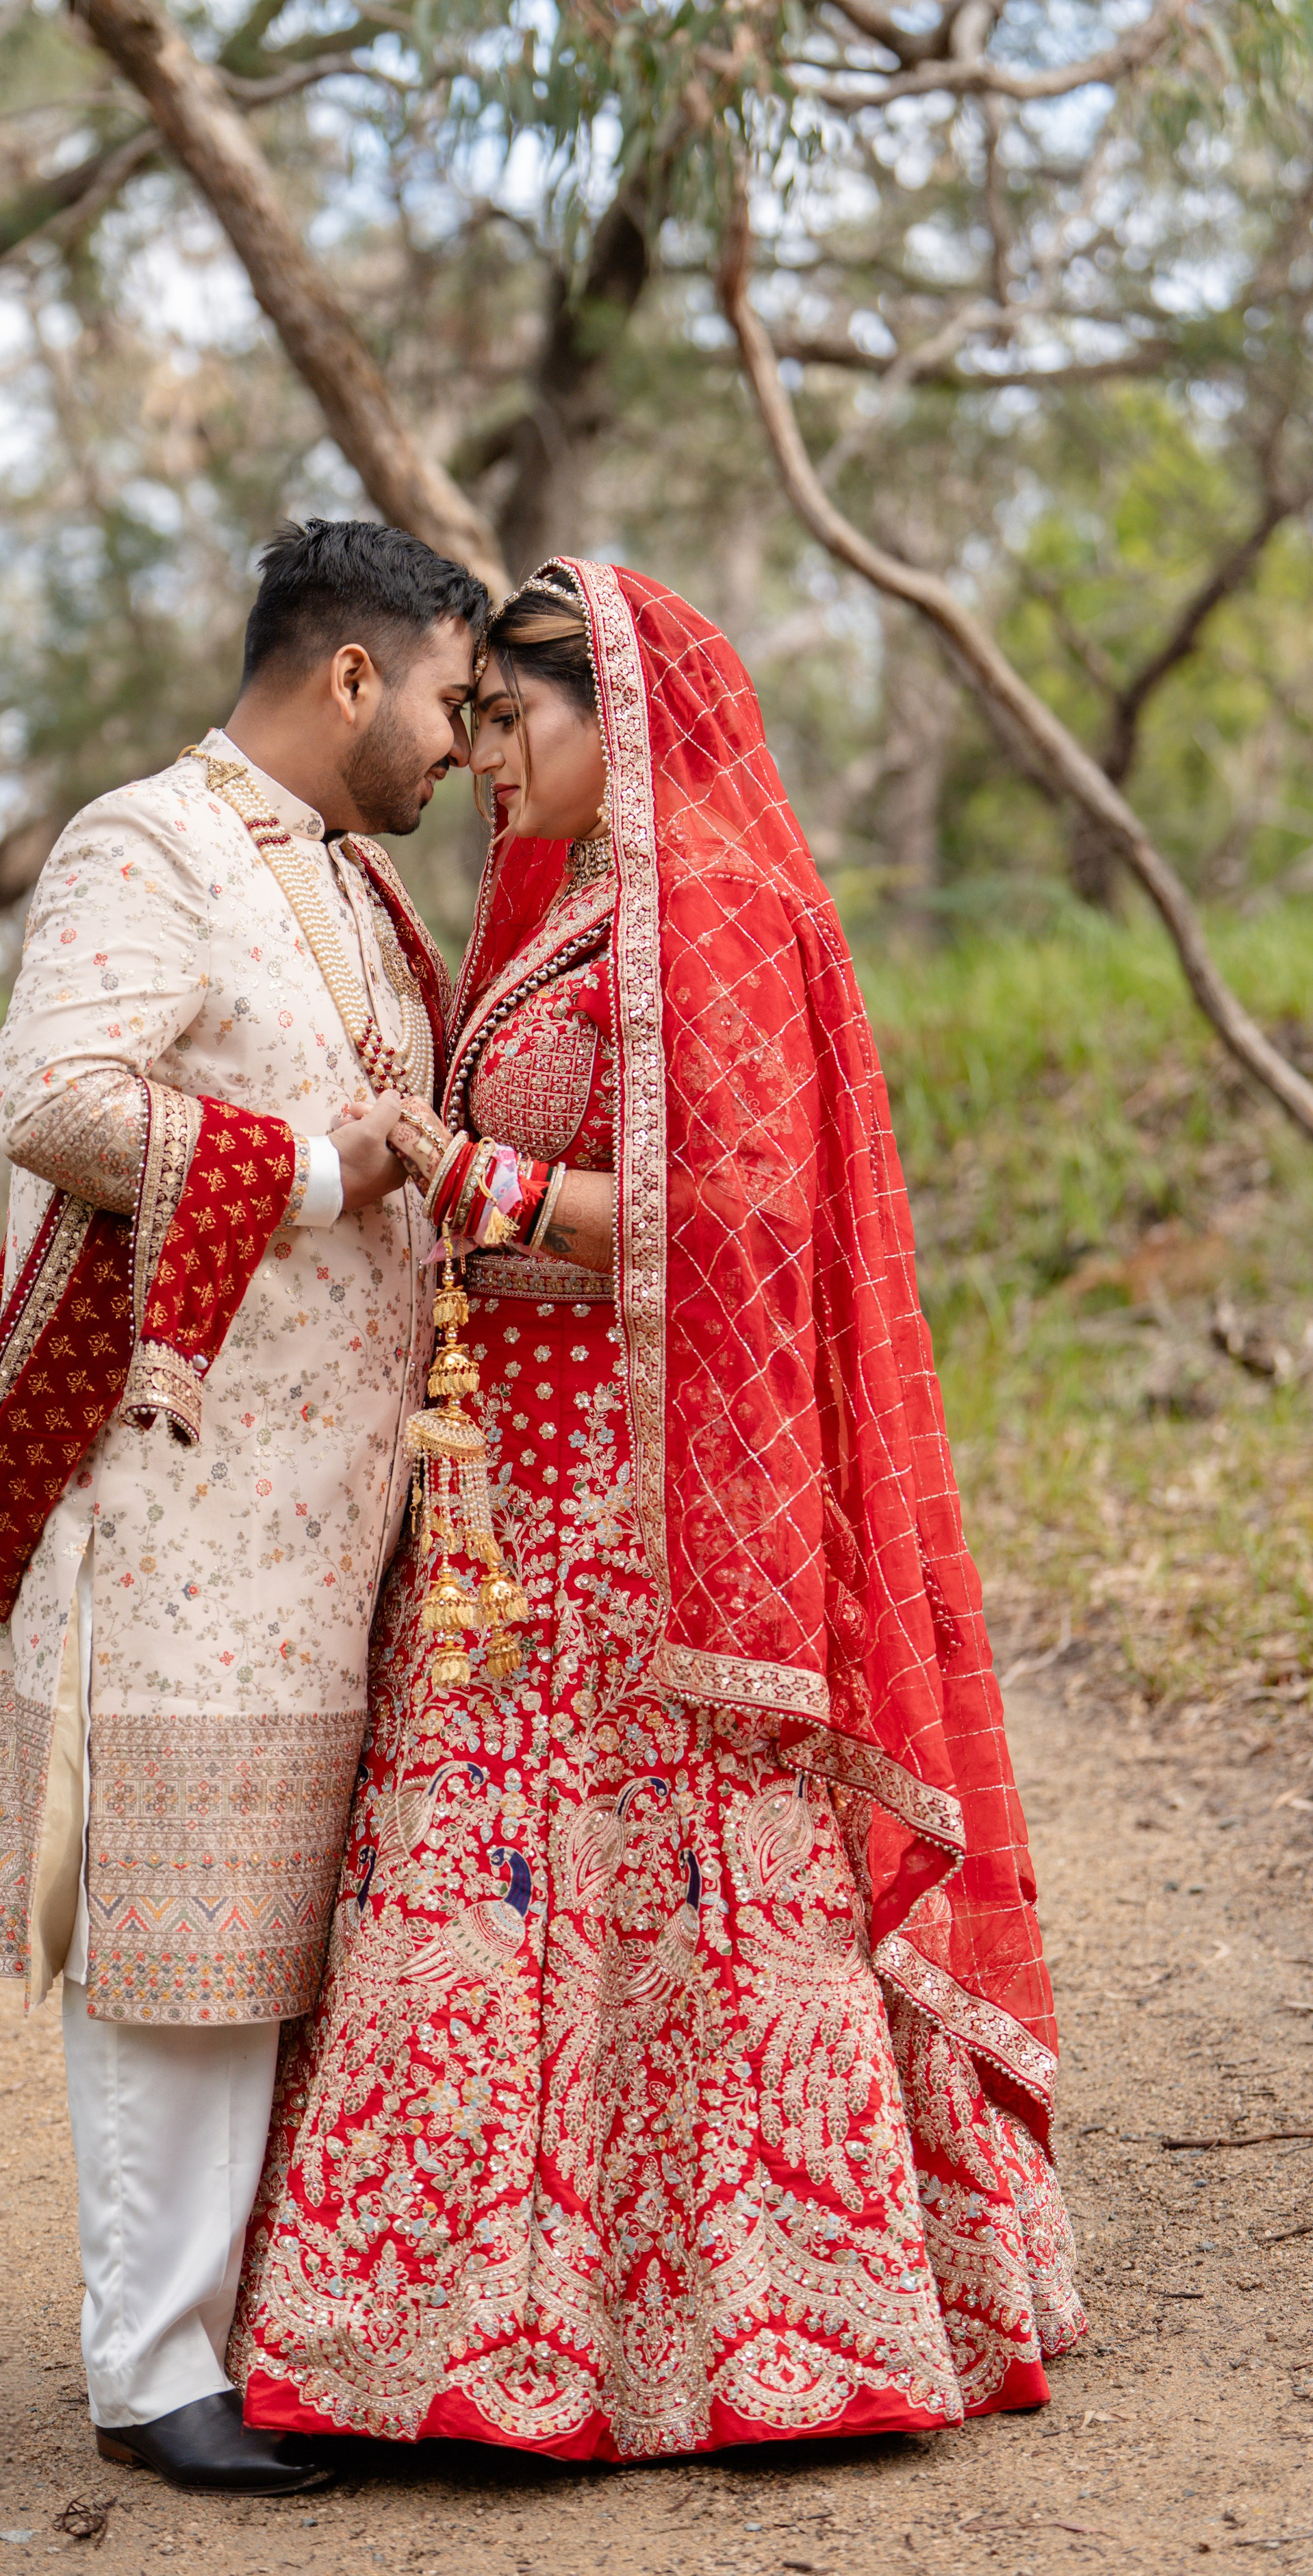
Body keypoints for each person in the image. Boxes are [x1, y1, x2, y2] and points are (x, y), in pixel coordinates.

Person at [232, 559, 1085, 2460]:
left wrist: (472, 1180)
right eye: (468, 723)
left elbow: (745, 1220)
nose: (475, 759)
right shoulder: (584, 908)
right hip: (501, 1500)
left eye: (508, 720)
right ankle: (442, 2325)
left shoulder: (707, 905)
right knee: (484, 1898)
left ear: (611, 706)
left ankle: (778, 2315)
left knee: (675, 1892)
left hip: (646, 1513)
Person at [0, 520, 489, 2494]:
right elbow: (51, 1091)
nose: (460, 743)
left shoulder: (336, 875)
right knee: (171, 1933)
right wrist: (318, 1171)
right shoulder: (146, 841)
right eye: (442, 698)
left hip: (318, 1523)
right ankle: (154, 2368)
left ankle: (228, 2330)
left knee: (256, 1936)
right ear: (348, 677)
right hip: (171, 1506)